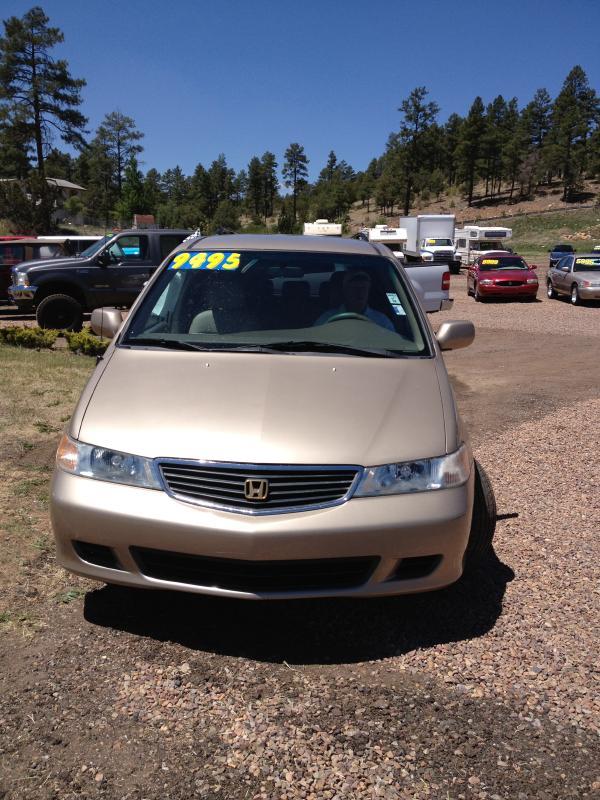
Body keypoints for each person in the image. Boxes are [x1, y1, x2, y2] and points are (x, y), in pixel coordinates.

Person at [315, 269, 395, 331]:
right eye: (354, 288)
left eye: (363, 288)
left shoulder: (382, 321)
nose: (360, 292)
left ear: (368, 291)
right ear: (345, 291)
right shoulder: (326, 319)